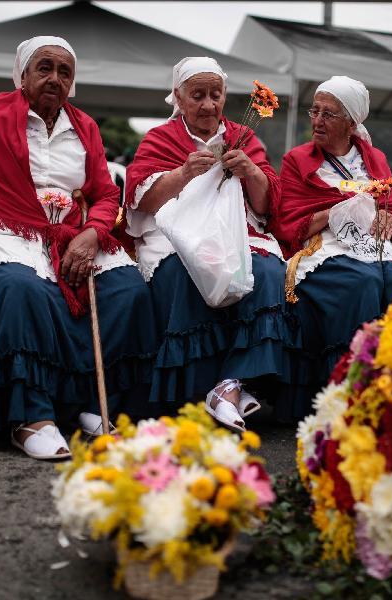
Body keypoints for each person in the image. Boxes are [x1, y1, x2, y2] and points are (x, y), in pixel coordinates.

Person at [0, 36, 156, 460]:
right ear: (22, 75)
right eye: (44, 68)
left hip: (71, 234)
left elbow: (105, 194)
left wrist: (92, 234)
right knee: (20, 288)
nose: (55, 78)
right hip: (3, 230)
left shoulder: (85, 127)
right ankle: (30, 415)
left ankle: (87, 402)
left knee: (126, 291)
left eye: (65, 72)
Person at [125, 57, 298, 432]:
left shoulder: (243, 136)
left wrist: (250, 171)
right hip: (177, 233)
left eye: (215, 95)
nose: (207, 104)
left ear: (224, 97)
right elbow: (142, 200)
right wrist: (183, 173)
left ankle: (229, 384)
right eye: (197, 95)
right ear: (178, 98)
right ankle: (200, 392)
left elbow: (267, 204)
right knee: (189, 268)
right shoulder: (159, 138)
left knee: (266, 270)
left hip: (237, 230)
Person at [274, 76, 392, 409]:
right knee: (362, 281)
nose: (317, 121)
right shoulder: (297, 160)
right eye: (315, 111)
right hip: (327, 246)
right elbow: (288, 222)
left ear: (351, 123)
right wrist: (336, 212)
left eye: (328, 114)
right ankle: (348, 390)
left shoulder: (375, 159)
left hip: (375, 246)